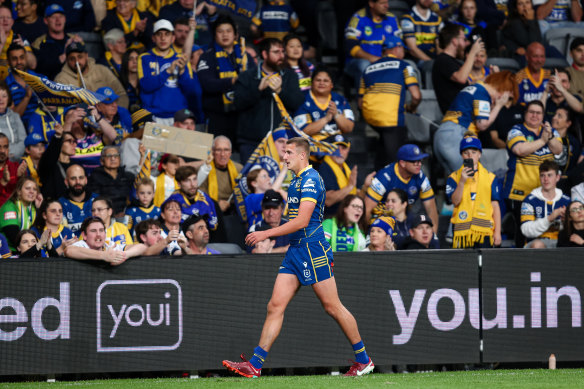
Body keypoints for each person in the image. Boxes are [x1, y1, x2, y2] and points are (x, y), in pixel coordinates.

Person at [224, 137, 375, 378]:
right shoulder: (296, 180)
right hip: (296, 249)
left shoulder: (311, 179)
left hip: (313, 250)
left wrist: (266, 233)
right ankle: (254, 365)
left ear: (302, 155)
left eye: (289, 152)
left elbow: (303, 221)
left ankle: (364, 360)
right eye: (284, 152)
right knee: (275, 305)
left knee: (332, 307)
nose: (284, 157)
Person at [503, 100, 563, 247]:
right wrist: (543, 140)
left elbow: (558, 149)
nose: (535, 115)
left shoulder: (551, 132)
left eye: (538, 113)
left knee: (543, 231)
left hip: (545, 193)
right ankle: (520, 265)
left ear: (543, 115)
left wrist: (548, 137)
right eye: (531, 112)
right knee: (523, 232)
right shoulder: (516, 130)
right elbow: (520, 150)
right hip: (520, 192)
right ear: (525, 114)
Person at [233, 37, 304, 162]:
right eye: (276, 52)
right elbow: (238, 103)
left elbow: (297, 103)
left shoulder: (290, 76)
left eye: (282, 52)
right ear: (265, 54)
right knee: (252, 180)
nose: (281, 56)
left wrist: (280, 91)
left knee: (282, 181)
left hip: (283, 143)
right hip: (251, 142)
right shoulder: (247, 76)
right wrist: (258, 89)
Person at [358, 35, 421, 168]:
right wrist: (411, 107)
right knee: (396, 162)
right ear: (397, 48)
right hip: (391, 118)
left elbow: (359, 102)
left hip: (370, 117)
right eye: (403, 49)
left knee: (384, 146)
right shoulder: (404, 65)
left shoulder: (368, 68)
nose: (403, 53)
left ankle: (377, 180)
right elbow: (416, 95)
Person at [434, 71, 515, 173]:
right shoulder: (483, 93)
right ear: (503, 90)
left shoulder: (476, 87)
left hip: (443, 135)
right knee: (469, 179)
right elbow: (482, 124)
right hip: (456, 136)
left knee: (457, 182)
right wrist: (499, 105)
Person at [197, 14, 255, 144]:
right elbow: (207, 84)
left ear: (235, 34)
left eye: (228, 31)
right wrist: (233, 81)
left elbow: (254, 83)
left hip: (243, 116)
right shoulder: (207, 57)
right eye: (220, 31)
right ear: (214, 35)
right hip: (217, 117)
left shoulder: (246, 57)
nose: (225, 35)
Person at [138, 19, 202, 124]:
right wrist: (168, 71)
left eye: (167, 34)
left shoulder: (181, 59)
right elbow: (146, 86)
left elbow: (191, 91)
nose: (163, 38)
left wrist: (182, 73)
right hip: (153, 116)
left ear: (173, 38)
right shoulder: (144, 58)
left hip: (178, 116)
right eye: (159, 34)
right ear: (153, 38)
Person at [365, 144, 439, 233]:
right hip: (379, 221)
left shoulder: (421, 177)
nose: (419, 164)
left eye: (420, 160)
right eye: (414, 161)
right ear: (403, 163)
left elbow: (431, 208)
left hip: (403, 221)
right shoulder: (384, 177)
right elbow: (367, 209)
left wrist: (434, 235)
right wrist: (366, 232)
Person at [446, 135, 502, 248]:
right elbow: (455, 202)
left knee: (483, 264)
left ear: (480, 154)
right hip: (462, 231)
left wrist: (497, 232)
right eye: (466, 152)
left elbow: (495, 206)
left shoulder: (490, 178)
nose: (470, 156)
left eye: (474, 152)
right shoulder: (453, 177)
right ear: (462, 155)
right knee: (463, 265)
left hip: (484, 230)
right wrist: (462, 182)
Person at [344, 0, 402, 89]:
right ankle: (363, 100)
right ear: (371, 4)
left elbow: (399, 45)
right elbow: (351, 47)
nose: (387, 6)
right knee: (364, 65)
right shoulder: (358, 18)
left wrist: (390, 60)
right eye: (382, 3)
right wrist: (376, 60)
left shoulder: (392, 18)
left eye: (387, 2)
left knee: (409, 65)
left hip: (387, 61)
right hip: (359, 62)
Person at [54, 41, 129, 109]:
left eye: (80, 57)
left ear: (86, 55)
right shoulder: (61, 79)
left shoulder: (102, 70)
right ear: (67, 60)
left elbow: (122, 95)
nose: (77, 62)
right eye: (72, 59)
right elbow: (60, 108)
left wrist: (115, 112)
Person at [432, 23, 484, 113]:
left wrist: (490, 77)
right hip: (454, 119)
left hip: (463, 115)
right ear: (455, 41)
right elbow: (461, 78)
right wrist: (472, 53)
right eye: (464, 39)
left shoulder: (454, 62)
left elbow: (467, 85)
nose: (467, 43)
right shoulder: (443, 60)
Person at [293, 67, 354, 141]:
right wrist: (326, 119)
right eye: (318, 80)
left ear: (331, 85)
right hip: (313, 146)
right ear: (312, 83)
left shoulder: (340, 99)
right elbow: (303, 131)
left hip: (337, 143)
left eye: (326, 81)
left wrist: (336, 114)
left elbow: (349, 128)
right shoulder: (302, 99)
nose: (321, 83)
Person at [520, 160, 570, 248]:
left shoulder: (566, 200)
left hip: (561, 241)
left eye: (549, 175)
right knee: (537, 245)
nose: (546, 179)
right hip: (536, 242)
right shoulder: (530, 200)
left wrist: (565, 221)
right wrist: (550, 218)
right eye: (542, 175)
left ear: (557, 177)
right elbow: (526, 230)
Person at [64, 216, 146, 264]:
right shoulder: (82, 245)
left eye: (101, 230)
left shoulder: (109, 245)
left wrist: (124, 255)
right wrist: (104, 256)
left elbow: (142, 247)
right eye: (93, 231)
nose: (98, 234)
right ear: (84, 235)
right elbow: (69, 251)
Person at [317, 134, 359, 217]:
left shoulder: (346, 168)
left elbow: (353, 195)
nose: (339, 152)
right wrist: (350, 186)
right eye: (335, 148)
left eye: (343, 148)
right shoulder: (324, 167)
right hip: (328, 219)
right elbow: (328, 200)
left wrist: (365, 187)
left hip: (344, 218)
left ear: (348, 150)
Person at [166, 165, 219, 231]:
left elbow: (214, 228)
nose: (192, 184)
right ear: (179, 184)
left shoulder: (207, 200)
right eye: (187, 181)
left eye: (194, 179)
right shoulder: (172, 202)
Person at [199, 136, 242, 214]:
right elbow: (200, 195)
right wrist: (216, 205)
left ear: (230, 152)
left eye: (226, 150)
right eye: (219, 150)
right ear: (213, 152)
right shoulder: (204, 170)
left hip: (234, 209)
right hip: (210, 209)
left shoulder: (239, 169)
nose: (222, 154)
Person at [0, 176, 42, 250]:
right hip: (7, 251)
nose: (32, 191)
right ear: (19, 191)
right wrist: (32, 250)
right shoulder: (9, 207)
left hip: (24, 248)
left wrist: (39, 208)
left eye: (34, 189)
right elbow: (13, 235)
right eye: (27, 188)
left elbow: (38, 230)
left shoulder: (32, 208)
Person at [31, 4, 72, 80]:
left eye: (60, 16)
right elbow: (39, 69)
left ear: (65, 19)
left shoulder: (73, 39)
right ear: (46, 20)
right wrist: (61, 59)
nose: (58, 20)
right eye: (53, 17)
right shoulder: (38, 43)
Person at [400, 0, 443, 65]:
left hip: (434, 58)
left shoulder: (437, 19)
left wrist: (441, 61)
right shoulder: (408, 18)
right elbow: (412, 49)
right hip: (416, 60)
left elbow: (439, 46)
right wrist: (432, 63)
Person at [246, 189, 290, 254]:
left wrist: (269, 252)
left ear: (282, 209)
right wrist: (285, 249)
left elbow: (299, 248)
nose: (271, 213)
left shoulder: (291, 226)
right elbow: (253, 252)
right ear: (262, 209)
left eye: (275, 208)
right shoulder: (255, 228)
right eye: (267, 208)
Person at [38, 125, 75, 199]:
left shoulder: (76, 167)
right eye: (69, 141)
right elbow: (50, 156)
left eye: (74, 141)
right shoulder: (49, 165)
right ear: (60, 143)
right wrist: (58, 136)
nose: (74, 144)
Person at [6, 43, 38, 127]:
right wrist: (27, 97)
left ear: (26, 58)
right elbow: (11, 118)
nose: (19, 62)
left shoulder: (38, 79)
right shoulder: (5, 85)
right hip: (19, 128)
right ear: (8, 62)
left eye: (22, 57)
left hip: (41, 125)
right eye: (14, 59)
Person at [59, 164, 97, 235]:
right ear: (66, 182)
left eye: (81, 178)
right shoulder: (59, 204)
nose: (78, 182)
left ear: (86, 180)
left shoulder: (97, 201)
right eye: (73, 178)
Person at [552, 107, 582, 178]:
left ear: (568, 123)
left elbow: (575, 166)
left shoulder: (574, 142)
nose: (554, 118)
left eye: (559, 116)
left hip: (566, 180)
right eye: (555, 114)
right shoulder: (545, 136)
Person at [0, 81, 26, 161]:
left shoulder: (15, 116)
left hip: (16, 160)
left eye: (4, 96)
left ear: (9, 98)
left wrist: (10, 154)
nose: (1, 99)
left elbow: (23, 141)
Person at [0, 133, 18, 206]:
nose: (2, 151)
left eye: (5, 147)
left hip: (14, 212)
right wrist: (2, 182)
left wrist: (20, 177)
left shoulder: (16, 167)